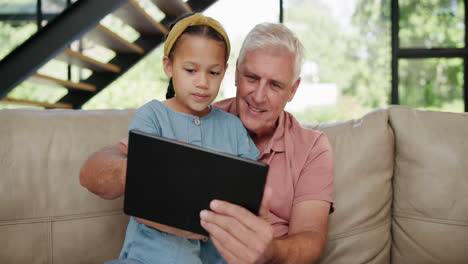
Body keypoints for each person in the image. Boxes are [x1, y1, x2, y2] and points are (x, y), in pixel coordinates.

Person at [80, 22, 334, 264]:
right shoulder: (192, 112)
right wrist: (150, 173)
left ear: (293, 89)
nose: (258, 96)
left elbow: (311, 237)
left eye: (275, 85)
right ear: (235, 73)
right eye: (252, 78)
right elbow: (99, 169)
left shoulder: (312, 147)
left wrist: (270, 251)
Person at [89, 13, 260, 264]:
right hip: (146, 259)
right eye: (190, 70)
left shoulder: (233, 127)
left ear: (224, 71)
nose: (202, 82)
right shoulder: (153, 116)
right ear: (168, 66)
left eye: (213, 72)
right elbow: (142, 196)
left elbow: (250, 192)